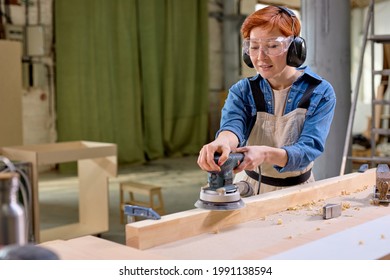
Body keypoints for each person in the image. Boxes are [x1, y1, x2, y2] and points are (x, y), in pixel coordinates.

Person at [197, 5, 336, 196]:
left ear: (294, 48)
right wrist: (222, 142)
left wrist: (265, 154)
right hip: (249, 187)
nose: (260, 57)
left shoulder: (319, 92)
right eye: (254, 47)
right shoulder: (243, 91)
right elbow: (233, 125)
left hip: (298, 190)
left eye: (272, 46)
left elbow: (308, 149)